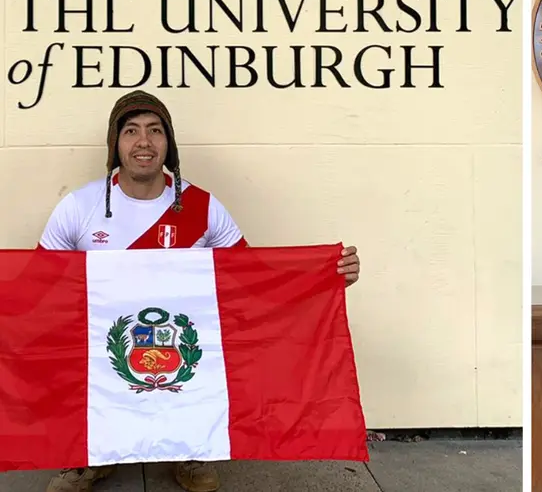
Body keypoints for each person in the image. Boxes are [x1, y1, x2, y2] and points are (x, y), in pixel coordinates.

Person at [37, 90, 362, 492]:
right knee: (59, 344)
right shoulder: (79, 206)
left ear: (168, 144)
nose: (144, 142)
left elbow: (253, 281)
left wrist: (325, 277)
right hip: (101, 343)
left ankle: (191, 451)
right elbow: (41, 284)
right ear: (115, 143)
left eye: (155, 131)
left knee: (209, 345)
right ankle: (87, 455)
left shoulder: (202, 206)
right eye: (132, 131)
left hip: (179, 341)